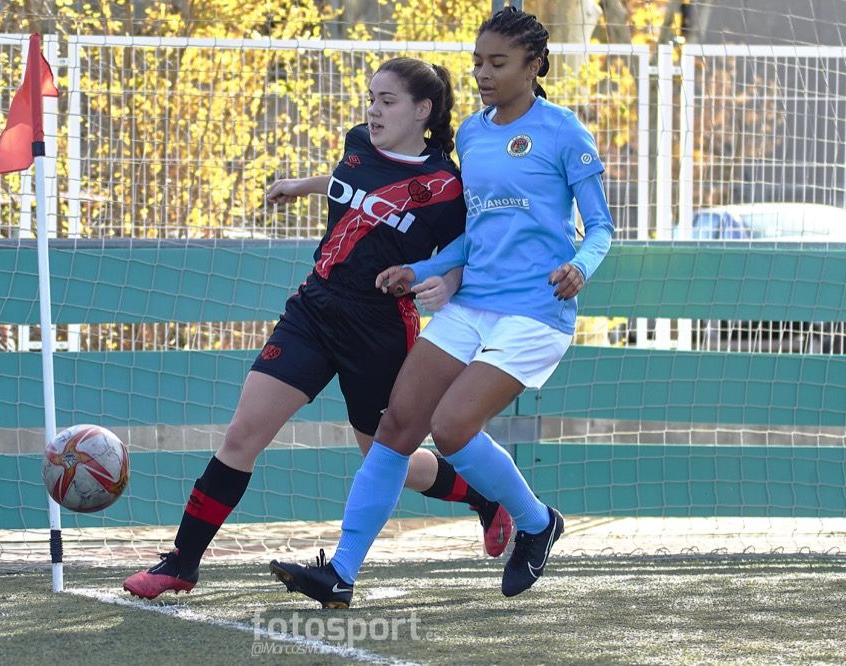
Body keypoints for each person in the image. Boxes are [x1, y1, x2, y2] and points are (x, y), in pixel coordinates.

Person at [123, 57, 514, 600]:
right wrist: (302, 185)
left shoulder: (446, 185)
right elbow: (349, 183)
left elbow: (464, 253)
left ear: (422, 110)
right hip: (314, 308)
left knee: (386, 460)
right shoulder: (358, 142)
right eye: (371, 98)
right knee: (242, 435)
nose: (373, 110)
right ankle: (181, 563)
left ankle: (484, 497)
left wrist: (447, 284)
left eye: (387, 101)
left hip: (379, 328)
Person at [270, 7, 615, 608]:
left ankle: (536, 523)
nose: (483, 74)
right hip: (473, 302)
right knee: (396, 428)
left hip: (535, 311)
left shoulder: (564, 132)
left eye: (497, 63)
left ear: (533, 66)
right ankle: (341, 573)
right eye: (478, 62)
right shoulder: (473, 136)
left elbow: (602, 228)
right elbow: (472, 236)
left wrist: (579, 267)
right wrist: (421, 270)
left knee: (452, 428)